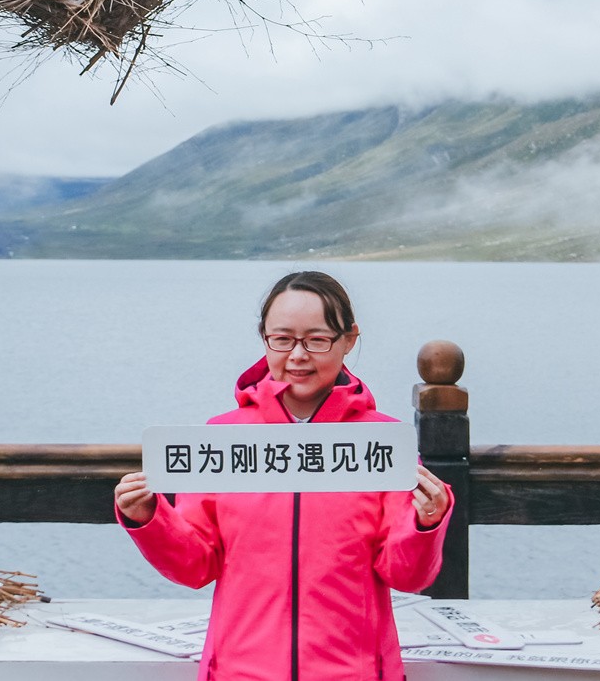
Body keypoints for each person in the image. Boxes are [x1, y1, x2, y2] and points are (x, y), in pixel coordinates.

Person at [114, 270, 453, 681]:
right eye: (282, 339)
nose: (298, 355)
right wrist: (148, 519)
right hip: (238, 672)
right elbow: (194, 566)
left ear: (349, 339)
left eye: (317, 340)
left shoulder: (382, 443)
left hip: (356, 673)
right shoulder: (222, 439)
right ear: (264, 339)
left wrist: (425, 523)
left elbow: (407, 575)